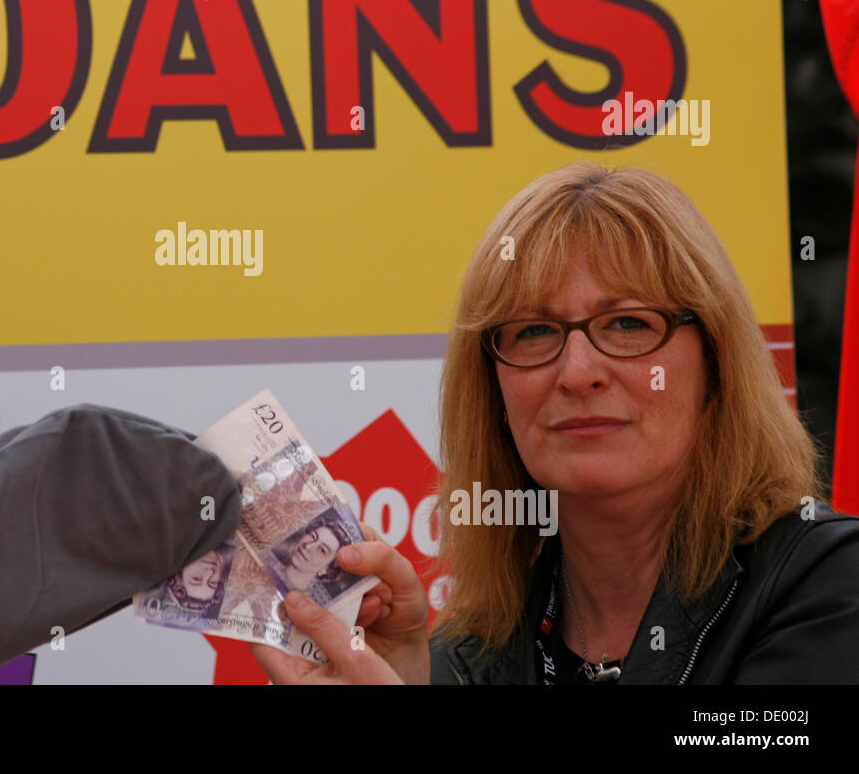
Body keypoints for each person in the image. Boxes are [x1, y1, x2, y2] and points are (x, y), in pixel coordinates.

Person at [251, 162, 859, 684]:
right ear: (492, 391)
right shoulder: (459, 657)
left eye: (628, 324)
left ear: (716, 364)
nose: (577, 372)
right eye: (534, 331)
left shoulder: (828, 586)